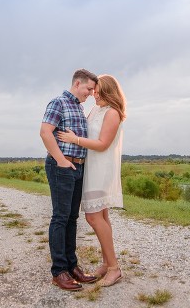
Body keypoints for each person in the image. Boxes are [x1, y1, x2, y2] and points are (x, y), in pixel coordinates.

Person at [57, 74, 126, 287]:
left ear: (108, 92)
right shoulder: (97, 109)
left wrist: (75, 139)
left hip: (101, 170)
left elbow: (103, 144)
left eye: (98, 91)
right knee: (102, 216)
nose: (94, 95)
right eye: (93, 91)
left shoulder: (113, 113)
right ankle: (106, 263)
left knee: (93, 217)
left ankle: (114, 268)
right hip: (91, 168)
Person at [40, 68, 100, 291]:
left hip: (78, 167)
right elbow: (45, 132)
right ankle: (59, 271)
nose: (91, 93)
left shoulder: (79, 107)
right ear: (77, 84)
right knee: (60, 217)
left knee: (72, 218)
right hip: (62, 166)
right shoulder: (59, 102)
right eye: (88, 89)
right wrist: (61, 161)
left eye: (92, 90)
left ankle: (72, 267)